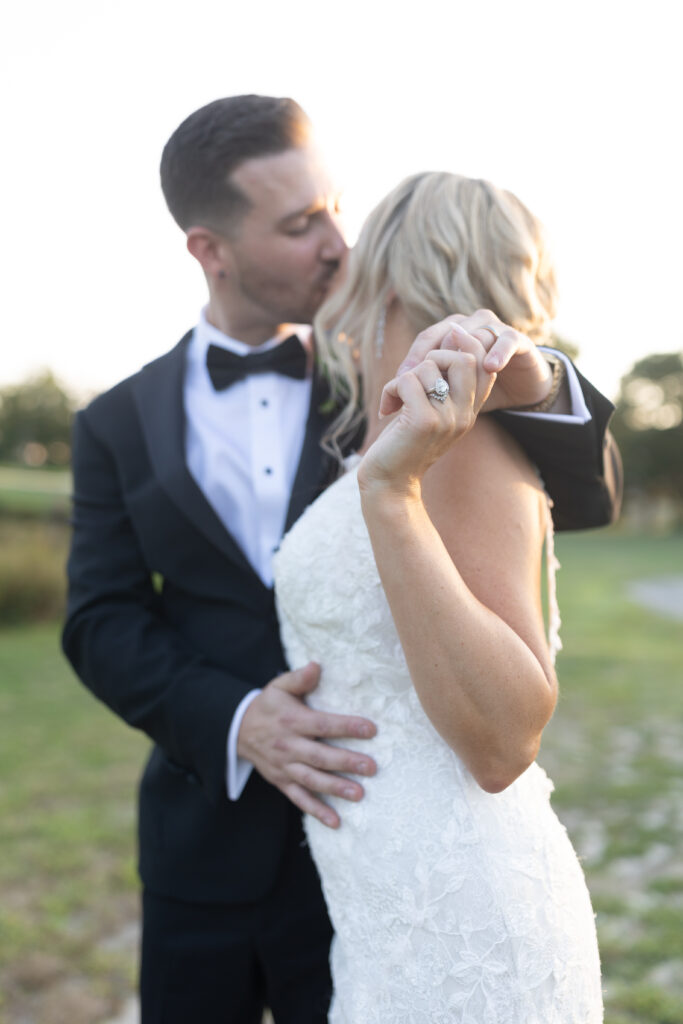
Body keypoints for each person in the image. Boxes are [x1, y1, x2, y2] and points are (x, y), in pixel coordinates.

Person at [62, 96, 616, 1023]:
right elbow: (100, 618)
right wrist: (237, 720)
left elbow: (587, 493)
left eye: (333, 208)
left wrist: (534, 370)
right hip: (209, 837)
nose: (337, 243)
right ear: (210, 248)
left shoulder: (402, 379)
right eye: (299, 224)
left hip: (397, 862)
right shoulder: (113, 422)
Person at [274, 171, 604, 1022]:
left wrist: (391, 494)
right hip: (384, 919)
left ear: (390, 267)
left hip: (460, 926)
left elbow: (503, 739)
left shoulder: (465, 446)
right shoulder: (395, 436)